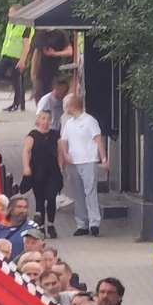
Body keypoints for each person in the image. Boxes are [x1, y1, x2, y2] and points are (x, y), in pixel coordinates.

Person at [57, 94, 106, 236]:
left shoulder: (90, 121)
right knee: (77, 194)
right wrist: (66, 155)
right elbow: (63, 140)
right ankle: (81, 224)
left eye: (65, 105)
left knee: (90, 191)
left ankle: (94, 222)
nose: (64, 107)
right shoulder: (69, 122)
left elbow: (98, 139)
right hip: (74, 162)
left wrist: (103, 159)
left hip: (88, 160)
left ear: (72, 106)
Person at [22, 109, 61, 234]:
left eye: (48, 119)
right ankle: (40, 226)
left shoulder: (55, 134)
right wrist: (26, 167)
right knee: (40, 198)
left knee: (51, 197)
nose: (45, 121)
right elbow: (26, 151)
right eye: (43, 118)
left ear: (51, 121)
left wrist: (61, 166)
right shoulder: (32, 135)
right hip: (37, 171)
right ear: (38, 120)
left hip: (53, 171)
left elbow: (59, 152)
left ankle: (51, 224)